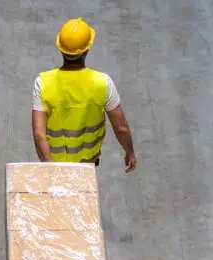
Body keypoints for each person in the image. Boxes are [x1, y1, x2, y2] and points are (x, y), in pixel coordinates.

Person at [32, 18, 136, 173]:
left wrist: (51, 170)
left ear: (60, 48)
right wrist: (130, 152)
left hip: (55, 166)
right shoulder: (103, 82)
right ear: (86, 49)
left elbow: (39, 134)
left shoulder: (42, 82)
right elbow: (121, 128)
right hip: (87, 166)